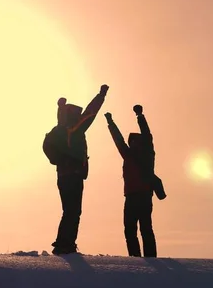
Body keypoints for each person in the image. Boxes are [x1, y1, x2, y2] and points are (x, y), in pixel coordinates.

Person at [51, 84, 109, 255]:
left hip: (62, 175)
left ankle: (63, 242)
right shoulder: (75, 129)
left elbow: (62, 119)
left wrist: (60, 107)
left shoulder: (61, 129)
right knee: (74, 211)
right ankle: (66, 244)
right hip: (73, 175)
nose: (80, 116)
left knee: (68, 210)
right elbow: (91, 113)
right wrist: (101, 96)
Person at [104, 104, 160, 257]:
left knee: (145, 228)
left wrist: (140, 116)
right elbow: (118, 140)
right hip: (130, 196)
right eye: (131, 141)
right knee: (130, 229)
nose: (133, 143)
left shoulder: (147, 154)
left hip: (143, 195)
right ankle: (135, 259)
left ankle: (150, 258)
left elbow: (147, 134)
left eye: (135, 141)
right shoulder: (127, 154)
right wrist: (110, 123)